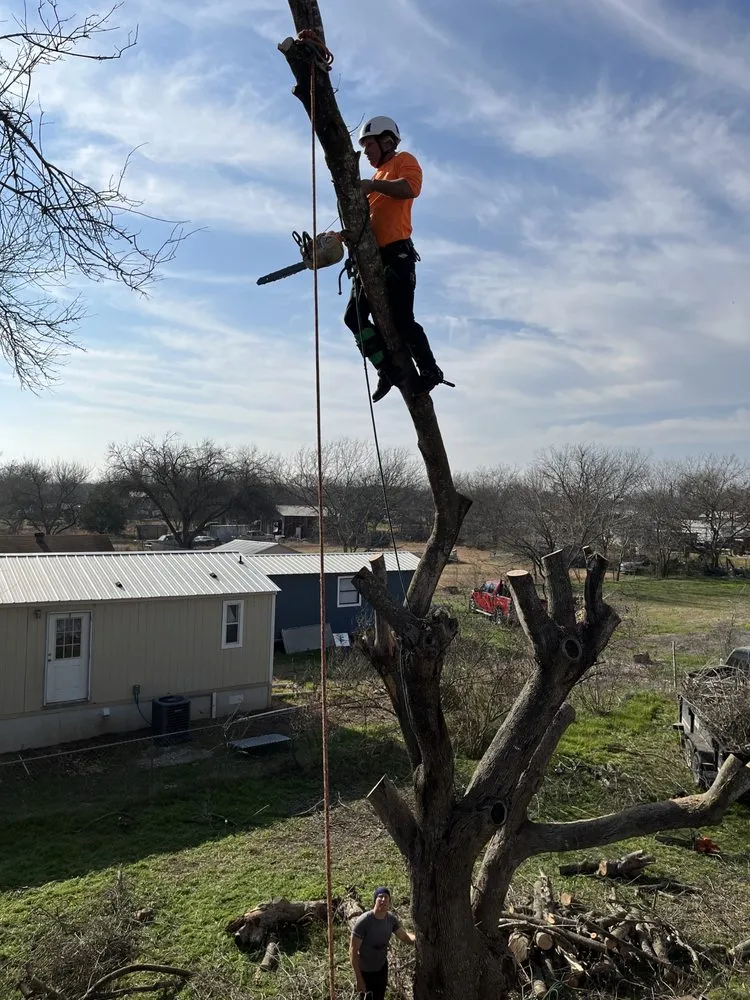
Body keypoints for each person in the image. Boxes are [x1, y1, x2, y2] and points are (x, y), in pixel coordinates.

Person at [344, 115, 444, 403]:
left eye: (369, 145)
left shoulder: (403, 162)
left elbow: (410, 188)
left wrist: (374, 187)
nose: (366, 152)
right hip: (370, 256)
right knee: (355, 317)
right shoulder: (374, 178)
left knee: (401, 319)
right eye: (363, 147)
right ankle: (385, 368)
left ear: (386, 141)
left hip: (397, 252)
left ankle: (429, 369)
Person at [350, 886, 415, 1000]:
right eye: (380, 897)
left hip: (381, 969)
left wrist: (420, 938)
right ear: (375, 900)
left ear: (389, 902)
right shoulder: (364, 921)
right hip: (365, 972)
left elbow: (405, 937)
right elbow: (353, 951)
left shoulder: (390, 920)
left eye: (386, 897)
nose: (383, 900)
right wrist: (359, 980)